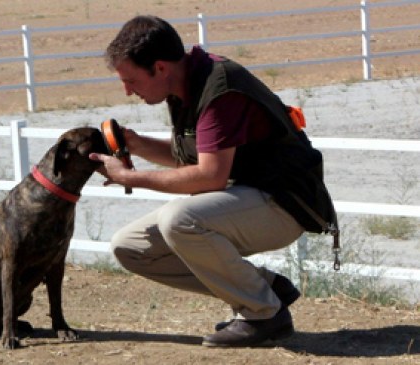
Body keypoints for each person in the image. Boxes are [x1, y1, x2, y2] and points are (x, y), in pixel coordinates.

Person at [89, 15, 338, 348]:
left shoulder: (219, 89)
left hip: (284, 204)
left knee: (179, 220)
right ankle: (265, 288)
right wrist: (135, 143)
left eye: (131, 80)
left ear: (160, 68)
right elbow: (193, 159)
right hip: (247, 198)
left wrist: (129, 177)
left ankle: (263, 313)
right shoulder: (183, 87)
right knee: (131, 247)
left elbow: (210, 176)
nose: (127, 91)